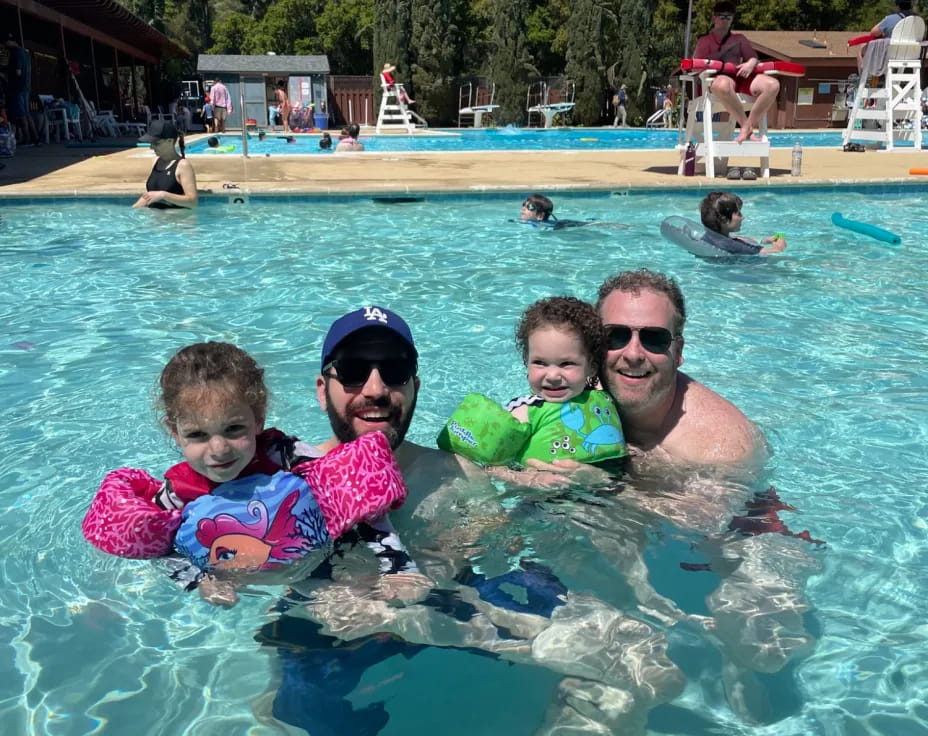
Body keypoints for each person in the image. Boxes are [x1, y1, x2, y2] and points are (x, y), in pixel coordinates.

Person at [81, 341, 408, 606]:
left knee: (370, 609)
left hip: (322, 563)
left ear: (258, 418)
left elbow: (364, 504)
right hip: (250, 581)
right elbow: (164, 550)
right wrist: (202, 582)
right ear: (174, 432)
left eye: (234, 429)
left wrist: (397, 566)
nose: (219, 449)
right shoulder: (176, 493)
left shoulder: (287, 457)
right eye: (197, 435)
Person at [595, 268, 765, 467]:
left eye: (654, 338)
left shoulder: (718, 452)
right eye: (615, 335)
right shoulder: (565, 379)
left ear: (678, 352)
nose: (633, 354)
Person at [438, 296, 627, 470]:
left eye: (566, 364)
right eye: (540, 363)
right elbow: (488, 465)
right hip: (544, 499)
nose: (552, 375)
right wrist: (521, 478)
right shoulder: (523, 411)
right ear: (526, 362)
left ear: (592, 367)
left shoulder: (600, 396)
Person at [692, 1, 780, 144]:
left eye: (729, 17)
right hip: (717, 80)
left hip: (741, 76)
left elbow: (752, 57)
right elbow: (696, 65)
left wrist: (751, 63)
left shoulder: (739, 39)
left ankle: (748, 126)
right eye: (722, 16)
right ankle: (746, 126)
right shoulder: (705, 41)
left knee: (773, 85)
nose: (725, 20)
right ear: (714, 18)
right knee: (722, 84)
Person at [132, 119, 198, 209]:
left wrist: (163, 195)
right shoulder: (155, 161)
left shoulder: (183, 166)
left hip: (174, 221)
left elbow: (192, 202)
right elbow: (150, 196)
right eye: (151, 143)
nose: (152, 147)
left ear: (170, 141)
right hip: (155, 219)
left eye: (156, 143)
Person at [699, 191, 786, 255]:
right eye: (739, 214)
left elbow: (734, 238)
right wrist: (779, 246)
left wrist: (763, 240)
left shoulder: (710, 237)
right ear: (724, 220)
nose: (743, 217)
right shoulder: (734, 246)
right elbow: (772, 252)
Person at [856, 0, 917, 72]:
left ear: (898, 7)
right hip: (913, 54)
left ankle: (864, 77)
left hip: (891, 54)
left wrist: (885, 28)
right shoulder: (918, 20)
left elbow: (873, 32)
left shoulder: (891, 18)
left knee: (861, 47)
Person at [4, 35, 31, 146]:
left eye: (7, 42)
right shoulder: (25, 53)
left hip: (18, 88)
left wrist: (7, 74)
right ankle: (33, 138)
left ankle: (26, 138)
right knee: (25, 113)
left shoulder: (16, 53)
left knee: (20, 114)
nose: (6, 45)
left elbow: (18, 71)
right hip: (25, 87)